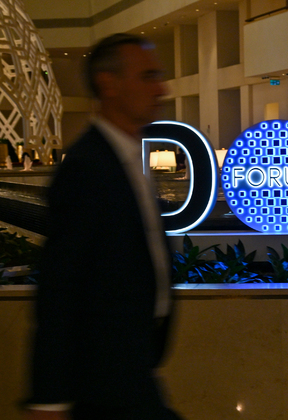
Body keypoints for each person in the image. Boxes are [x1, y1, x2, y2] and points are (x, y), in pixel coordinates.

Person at [24, 33, 182, 420]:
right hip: (103, 385)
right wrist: (49, 399)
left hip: (132, 370)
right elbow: (59, 289)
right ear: (109, 84)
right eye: (148, 76)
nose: (161, 88)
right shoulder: (86, 169)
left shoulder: (126, 158)